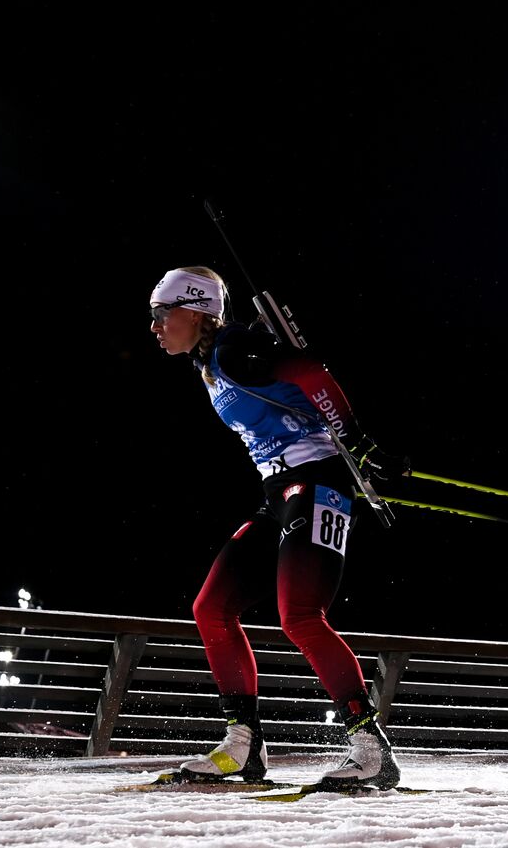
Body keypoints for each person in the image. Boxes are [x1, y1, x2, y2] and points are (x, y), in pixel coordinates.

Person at [148, 265, 410, 788]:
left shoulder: (232, 347)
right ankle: (243, 746)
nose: (154, 327)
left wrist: (356, 441)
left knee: (300, 617)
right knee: (212, 609)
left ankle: (370, 748)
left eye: (161, 314)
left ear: (195, 311)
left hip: (318, 486)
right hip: (279, 496)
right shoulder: (209, 365)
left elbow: (312, 373)